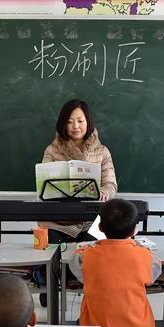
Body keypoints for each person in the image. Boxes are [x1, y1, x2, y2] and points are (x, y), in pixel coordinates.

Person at [68, 199, 161, 327]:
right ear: (134, 230)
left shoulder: (85, 256)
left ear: (100, 227)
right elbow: (155, 270)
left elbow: (75, 265)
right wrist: (137, 245)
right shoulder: (145, 256)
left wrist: (83, 248)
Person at [40, 99, 117, 245]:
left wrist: (105, 191)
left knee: (91, 256)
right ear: (63, 123)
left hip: (92, 221)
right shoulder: (51, 151)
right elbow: (43, 185)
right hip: (58, 222)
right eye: (69, 122)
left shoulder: (102, 152)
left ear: (88, 122)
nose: (75, 126)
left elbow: (111, 184)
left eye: (80, 121)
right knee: (53, 257)